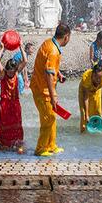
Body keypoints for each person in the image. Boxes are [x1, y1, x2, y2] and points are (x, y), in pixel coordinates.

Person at [31, 24, 70, 157]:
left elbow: (47, 66)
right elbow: (48, 73)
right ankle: (40, 148)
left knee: (52, 117)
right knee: (48, 118)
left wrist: (58, 74)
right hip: (42, 90)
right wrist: (53, 95)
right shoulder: (53, 51)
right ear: (66, 37)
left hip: (41, 86)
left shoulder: (49, 43)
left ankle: (51, 145)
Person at [0, 58, 25, 151]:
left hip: (15, 104)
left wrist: (21, 46)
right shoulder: (3, 74)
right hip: (5, 104)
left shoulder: (16, 74)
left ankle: (17, 143)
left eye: (12, 72)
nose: (10, 73)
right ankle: (4, 144)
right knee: (4, 124)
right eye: (9, 71)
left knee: (17, 124)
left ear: (15, 70)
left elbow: (25, 61)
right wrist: (2, 48)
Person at [78, 63, 102, 133]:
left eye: (100, 77)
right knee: (84, 115)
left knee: (98, 112)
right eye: (96, 77)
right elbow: (86, 98)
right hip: (84, 92)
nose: (98, 80)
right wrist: (87, 114)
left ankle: (99, 131)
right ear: (92, 74)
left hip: (96, 90)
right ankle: (83, 133)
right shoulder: (86, 77)